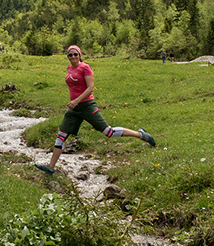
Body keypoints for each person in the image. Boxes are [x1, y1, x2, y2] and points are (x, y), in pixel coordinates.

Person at [35, 44, 156, 175]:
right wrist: (74, 102)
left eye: (75, 54)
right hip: (74, 110)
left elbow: (90, 88)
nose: (73, 56)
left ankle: (141, 135)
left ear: (80, 55)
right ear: (67, 57)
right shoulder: (69, 67)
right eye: (70, 55)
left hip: (87, 106)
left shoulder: (85, 68)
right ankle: (51, 167)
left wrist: (76, 100)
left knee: (108, 132)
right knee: (61, 137)